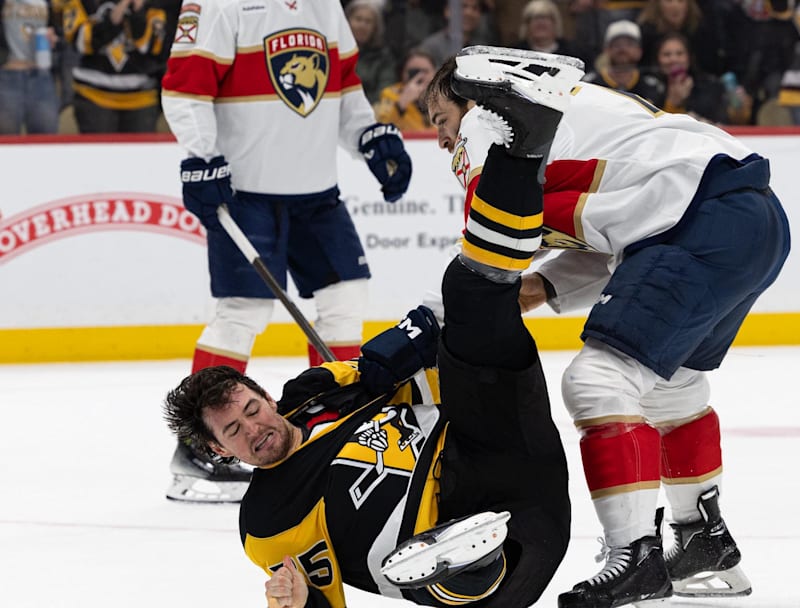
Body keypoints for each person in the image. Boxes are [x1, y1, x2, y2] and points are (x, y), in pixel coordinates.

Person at [163, 59, 574, 607]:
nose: (253, 429)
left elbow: (392, 360)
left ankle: (524, 143)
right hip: (493, 542)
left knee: (468, 289)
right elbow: (323, 603)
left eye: (250, 409)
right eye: (234, 431)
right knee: (458, 580)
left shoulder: (313, 394)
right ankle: (465, 561)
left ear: (264, 395)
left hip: (491, 435)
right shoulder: (267, 521)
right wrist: (297, 602)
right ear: (219, 451)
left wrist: (419, 333)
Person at [425, 46, 790, 607]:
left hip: (692, 220)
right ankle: (703, 542)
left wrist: (433, 315)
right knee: (672, 387)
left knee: (598, 382)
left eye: (441, 121)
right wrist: (538, 288)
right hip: (744, 216)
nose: (443, 141)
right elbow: (606, 240)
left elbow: (487, 233)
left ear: (474, 99)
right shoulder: (557, 114)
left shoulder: (494, 117)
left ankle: (635, 558)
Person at [159, 0, 413, 502]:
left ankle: (339, 428)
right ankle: (197, 450)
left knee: (346, 299)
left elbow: (341, 86)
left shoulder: (324, 6)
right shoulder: (218, 4)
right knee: (243, 312)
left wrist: (370, 135)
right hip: (245, 191)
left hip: (317, 192)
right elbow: (186, 86)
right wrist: (201, 154)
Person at [56, 0, 174, 133]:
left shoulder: (154, 4)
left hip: (141, 98)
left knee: (139, 153)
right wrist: (113, 19)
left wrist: (138, 12)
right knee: (99, 153)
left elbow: (156, 47)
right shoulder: (83, 3)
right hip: (93, 97)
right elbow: (79, 42)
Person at [655, 32, 750, 125]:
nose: (673, 59)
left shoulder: (710, 86)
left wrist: (740, 110)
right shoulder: (650, 87)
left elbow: (728, 122)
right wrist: (673, 102)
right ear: (658, 59)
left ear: (689, 58)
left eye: (679, 54)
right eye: (667, 55)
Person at [0, 0, 62, 134]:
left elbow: (62, 32)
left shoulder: (50, 3)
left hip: (41, 76)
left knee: (46, 141)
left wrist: (54, 38)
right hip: (6, 76)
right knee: (5, 142)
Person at [582, 19, 665, 108]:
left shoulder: (653, 86)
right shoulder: (588, 84)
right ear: (606, 50)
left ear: (639, 51)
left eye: (629, 44)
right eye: (617, 44)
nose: (623, 49)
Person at [345, 0, 398, 106]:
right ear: (347, 21)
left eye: (368, 21)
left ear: (375, 27)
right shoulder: (334, 50)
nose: (362, 25)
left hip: (368, 112)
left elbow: (384, 91)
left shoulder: (384, 57)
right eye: (358, 19)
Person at [374, 49, 438, 132]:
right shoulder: (390, 95)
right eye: (413, 72)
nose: (420, 76)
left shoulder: (443, 97)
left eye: (425, 71)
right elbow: (382, 126)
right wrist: (400, 105)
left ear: (435, 73)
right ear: (403, 74)